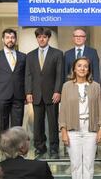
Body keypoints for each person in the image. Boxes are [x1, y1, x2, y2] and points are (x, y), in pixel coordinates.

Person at [59, 57, 101, 179]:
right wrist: (63, 131)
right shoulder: (66, 86)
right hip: (72, 130)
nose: (82, 68)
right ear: (74, 68)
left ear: (89, 70)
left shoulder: (95, 86)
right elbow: (62, 110)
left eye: (85, 66)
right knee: (75, 165)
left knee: (89, 165)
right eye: (79, 65)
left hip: (91, 130)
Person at [25, 27, 63, 158]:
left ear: (48, 38)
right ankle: (40, 147)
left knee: (53, 123)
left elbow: (59, 74)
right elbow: (28, 75)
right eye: (39, 37)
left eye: (44, 37)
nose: (42, 39)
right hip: (36, 94)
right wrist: (28, 92)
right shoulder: (30, 55)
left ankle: (54, 148)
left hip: (52, 94)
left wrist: (58, 91)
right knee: (37, 123)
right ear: (36, 38)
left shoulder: (57, 54)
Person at [0, 28, 26, 134]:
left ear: (15, 39)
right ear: (3, 39)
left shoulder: (23, 56)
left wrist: (27, 93)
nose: (10, 40)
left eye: (12, 37)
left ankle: (16, 149)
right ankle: (4, 149)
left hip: (19, 95)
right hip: (2, 95)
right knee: (3, 125)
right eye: (7, 37)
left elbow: (26, 76)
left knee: (17, 127)